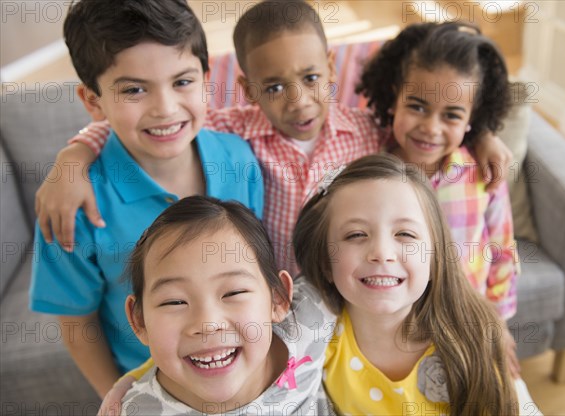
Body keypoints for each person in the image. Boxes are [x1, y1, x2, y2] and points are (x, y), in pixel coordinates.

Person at [33, 1, 512, 276]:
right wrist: (74, 156)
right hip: (279, 296)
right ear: (248, 90)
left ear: (330, 68)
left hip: (352, 286)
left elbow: (428, 126)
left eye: (310, 78)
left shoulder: (368, 129)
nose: (299, 101)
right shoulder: (235, 128)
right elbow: (168, 121)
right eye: (275, 87)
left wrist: (484, 134)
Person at [29, 0, 263, 397]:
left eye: (182, 82)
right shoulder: (72, 206)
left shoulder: (239, 158)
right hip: (151, 390)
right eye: (134, 90)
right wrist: (115, 396)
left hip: (244, 372)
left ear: (207, 79)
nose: (166, 108)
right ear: (93, 101)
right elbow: (76, 322)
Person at [293, 154, 520, 415]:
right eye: (355, 235)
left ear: (435, 259)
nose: (381, 252)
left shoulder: (471, 337)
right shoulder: (316, 343)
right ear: (325, 263)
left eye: (405, 234)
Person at [356, 22, 521, 375]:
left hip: (464, 327)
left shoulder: (482, 173)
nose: (431, 127)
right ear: (393, 94)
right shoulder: (368, 164)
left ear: (471, 120)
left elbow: (503, 249)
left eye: (451, 115)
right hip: (387, 333)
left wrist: (499, 322)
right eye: (417, 106)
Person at [119, 196, 335, 415]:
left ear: (278, 299)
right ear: (139, 321)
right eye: (174, 301)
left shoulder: (311, 317)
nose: (208, 324)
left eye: (234, 293)